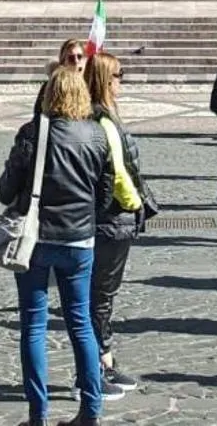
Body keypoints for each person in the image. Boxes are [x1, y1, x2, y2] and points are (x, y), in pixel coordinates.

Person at [0, 59, 113, 426]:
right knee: (80, 323)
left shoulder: (33, 133)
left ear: (48, 95)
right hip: (80, 239)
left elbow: (4, 191)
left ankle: (38, 415)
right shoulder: (96, 134)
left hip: (37, 239)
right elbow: (106, 195)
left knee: (34, 324)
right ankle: (90, 410)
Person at [86, 51, 146, 397]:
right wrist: (136, 204)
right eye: (119, 75)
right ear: (107, 80)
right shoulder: (104, 121)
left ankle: (104, 359)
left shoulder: (103, 116)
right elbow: (119, 173)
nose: (122, 81)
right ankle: (95, 368)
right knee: (100, 297)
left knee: (102, 295)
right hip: (111, 220)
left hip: (108, 220)